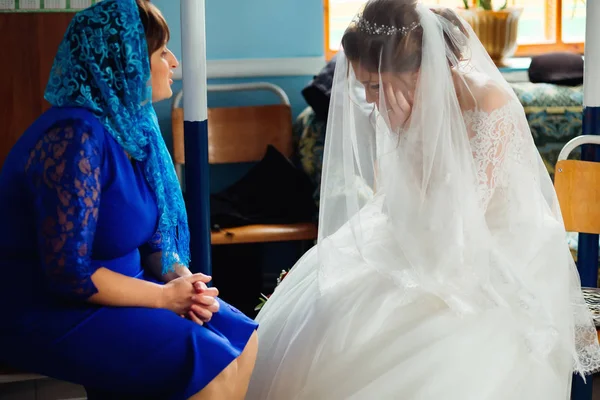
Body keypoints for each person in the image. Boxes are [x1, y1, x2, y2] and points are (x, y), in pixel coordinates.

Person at [246, 1, 600, 399]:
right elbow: (397, 198)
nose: (370, 97)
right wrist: (403, 135)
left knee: (434, 335)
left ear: (422, 68)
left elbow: (461, 216)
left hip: (491, 241)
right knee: (332, 305)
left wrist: (413, 143)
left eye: (377, 85)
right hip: (421, 226)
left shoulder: (490, 103)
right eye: (364, 85)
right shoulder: (400, 103)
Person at [0, 1, 257, 399]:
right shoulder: (75, 136)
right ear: (126, 63)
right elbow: (69, 274)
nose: (172, 61)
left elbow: (152, 239)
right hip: (49, 306)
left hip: (126, 288)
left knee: (242, 336)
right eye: (160, 52)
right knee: (209, 365)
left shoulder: (131, 126)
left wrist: (181, 281)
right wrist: (164, 298)